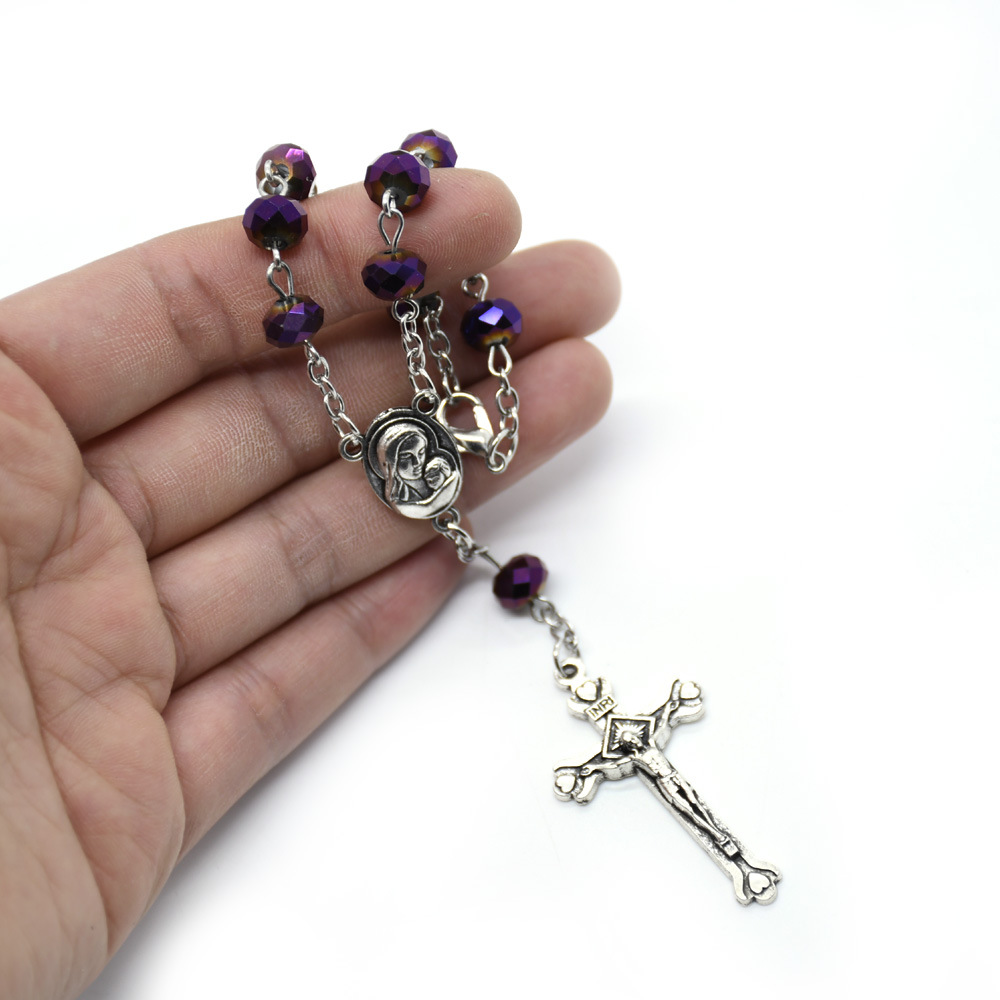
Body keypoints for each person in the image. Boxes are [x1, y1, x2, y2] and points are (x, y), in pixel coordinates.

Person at [0, 168, 619, 999]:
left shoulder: (429, 441)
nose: (415, 465)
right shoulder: (401, 451)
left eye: (415, 458)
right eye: (406, 459)